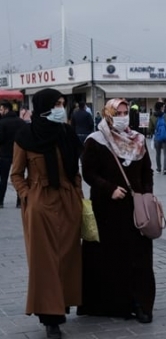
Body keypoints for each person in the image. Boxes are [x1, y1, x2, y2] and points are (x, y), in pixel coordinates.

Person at [11, 88, 83, 339]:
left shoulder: (67, 133)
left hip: (67, 203)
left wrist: (77, 195)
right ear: (43, 107)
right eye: (56, 104)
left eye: (63, 103)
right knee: (45, 263)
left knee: (65, 258)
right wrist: (28, 195)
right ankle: (50, 318)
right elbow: (16, 174)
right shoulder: (26, 136)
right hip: (41, 205)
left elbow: (74, 169)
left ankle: (60, 305)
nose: (61, 108)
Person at [78, 98, 155, 324]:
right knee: (109, 258)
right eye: (117, 112)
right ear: (107, 114)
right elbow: (89, 173)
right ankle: (109, 304)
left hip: (135, 210)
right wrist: (109, 188)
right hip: (107, 210)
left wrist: (147, 194)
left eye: (124, 112)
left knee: (138, 259)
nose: (122, 117)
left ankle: (140, 303)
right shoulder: (96, 141)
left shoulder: (138, 140)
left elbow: (147, 171)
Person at [0, 101, 26, 208]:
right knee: (19, 177)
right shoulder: (21, 122)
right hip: (19, 154)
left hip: (4, 154)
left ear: (6, 109)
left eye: (1, 109)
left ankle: (1, 201)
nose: (0, 112)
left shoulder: (2, 123)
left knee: (3, 179)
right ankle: (19, 201)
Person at [148, 102, 166, 175]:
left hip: (157, 137)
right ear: (161, 107)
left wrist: (154, 132)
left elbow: (150, 129)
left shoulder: (152, 116)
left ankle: (159, 168)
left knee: (158, 153)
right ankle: (165, 169)